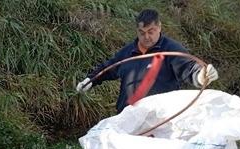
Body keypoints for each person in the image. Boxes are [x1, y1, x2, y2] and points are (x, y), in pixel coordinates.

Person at [76, 9, 219, 114]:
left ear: (159, 27)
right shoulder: (128, 52)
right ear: (137, 31)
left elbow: (189, 68)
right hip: (128, 116)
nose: (146, 37)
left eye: (151, 31)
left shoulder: (171, 49)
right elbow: (108, 68)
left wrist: (202, 75)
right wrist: (90, 80)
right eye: (142, 32)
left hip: (161, 117)